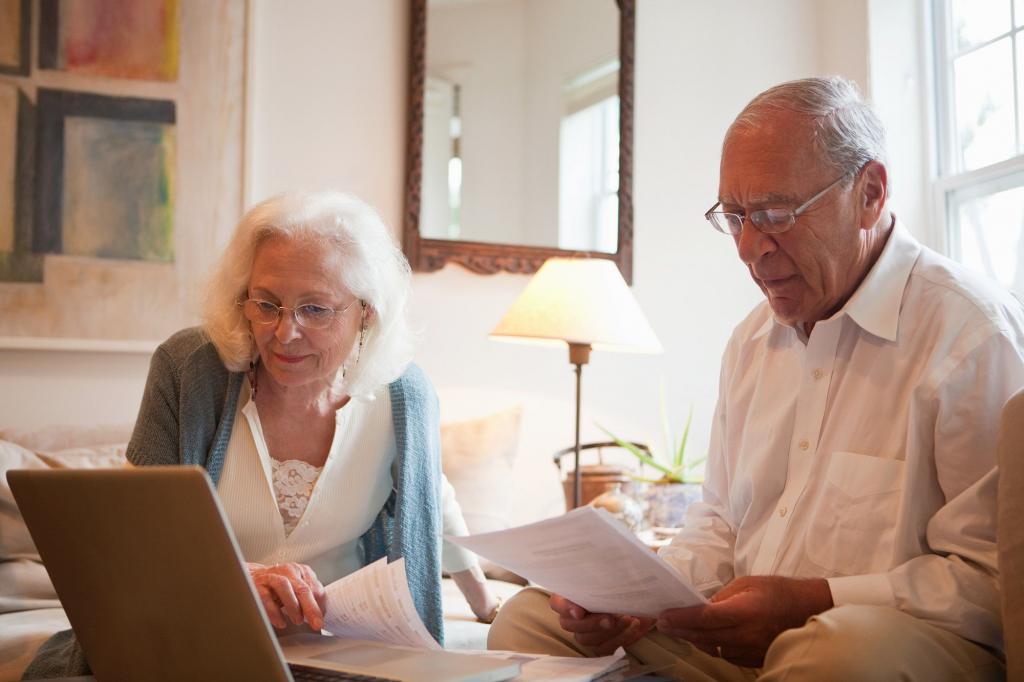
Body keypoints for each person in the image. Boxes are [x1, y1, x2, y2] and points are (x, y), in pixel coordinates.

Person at [488, 76, 1024, 680]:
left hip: (904, 645)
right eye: (735, 216)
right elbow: (719, 521)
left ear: (870, 192)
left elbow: (995, 581)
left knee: (829, 651)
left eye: (774, 214)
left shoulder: (972, 335)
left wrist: (817, 602)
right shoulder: (751, 341)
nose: (748, 247)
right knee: (530, 620)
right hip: (740, 649)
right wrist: (636, 602)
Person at [24, 190, 498, 678]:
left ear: (367, 312)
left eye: (315, 309)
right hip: (199, 631)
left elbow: (431, 501)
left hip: (339, 650)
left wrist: (487, 608)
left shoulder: (404, 395)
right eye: (267, 304)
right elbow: (132, 538)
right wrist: (237, 580)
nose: (284, 332)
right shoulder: (187, 370)